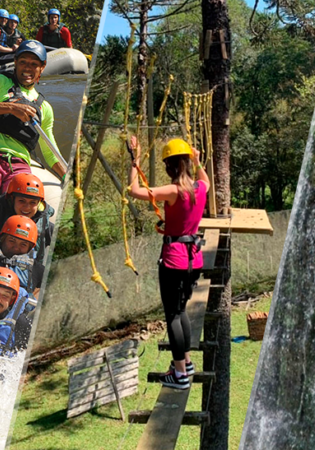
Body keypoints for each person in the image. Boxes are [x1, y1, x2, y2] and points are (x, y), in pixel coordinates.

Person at [129, 136, 210, 390]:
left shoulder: (174, 191)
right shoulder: (199, 188)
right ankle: (185, 363)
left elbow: (134, 191)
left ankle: (179, 374)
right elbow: (206, 180)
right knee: (181, 310)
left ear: (169, 167)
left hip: (174, 260)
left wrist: (135, 160)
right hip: (194, 258)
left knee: (173, 315)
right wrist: (198, 161)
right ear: (186, 163)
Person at [0, 40, 67, 234]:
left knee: (18, 207)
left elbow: (50, 150)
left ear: (42, 68)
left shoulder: (44, 108)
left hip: (19, 163)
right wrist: (10, 108)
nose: (27, 68)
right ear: (15, 62)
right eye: (23, 62)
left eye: (33, 64)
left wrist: (66, 176)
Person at [0, 173, 54, 254]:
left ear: (39, 203)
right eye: (21, 201)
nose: (27, 207)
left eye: (33, 203)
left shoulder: (46, 226)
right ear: (11, 199)